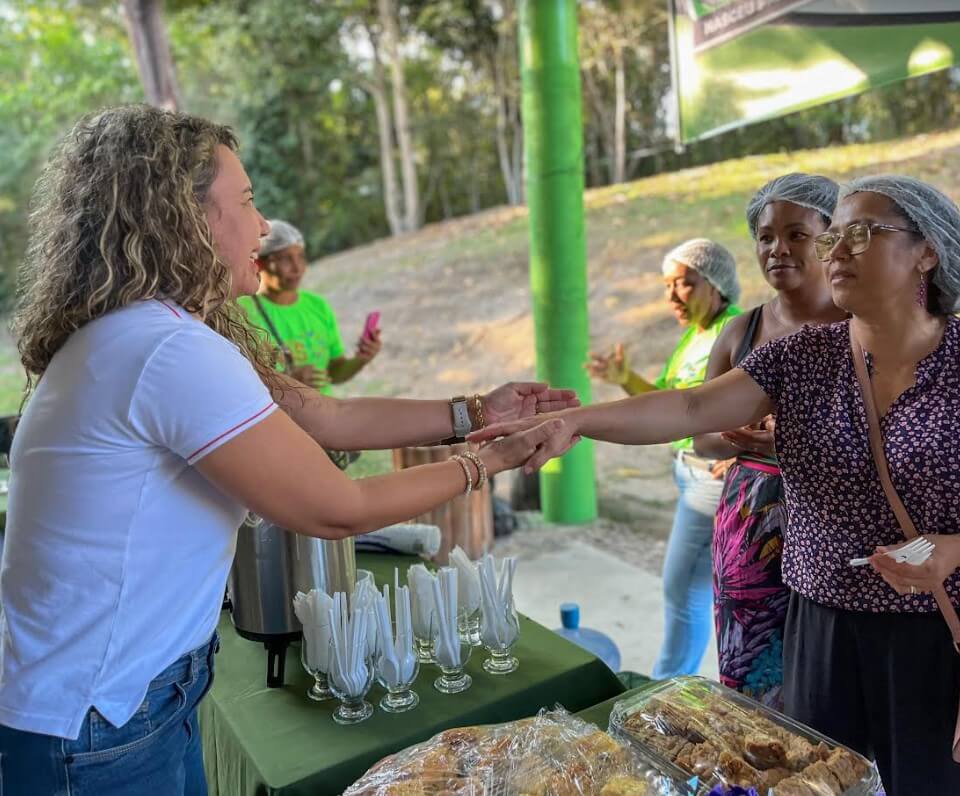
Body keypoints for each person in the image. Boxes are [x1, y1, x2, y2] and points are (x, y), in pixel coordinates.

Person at [0, 105, 574, 795]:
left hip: (123, 702)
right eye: (245, 202)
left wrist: (478, 411)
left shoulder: (144, 332)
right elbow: (339, 507)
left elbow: (324, 416)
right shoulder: (164, 350)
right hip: (99, 722)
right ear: (185, 218)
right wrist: (492, 459)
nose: (264, 224)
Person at [473, 175, 960, 796]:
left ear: (928, 251)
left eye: (861, 233)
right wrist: (572, 421)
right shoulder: (802, 356)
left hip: (950, 632)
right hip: (823, 627)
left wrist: (955, 551)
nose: (834, 250)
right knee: (813, 786)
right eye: (834, 234)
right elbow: (688, 411)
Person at [692, 173, 846, 708]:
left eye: (796, 234)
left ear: (831, 238)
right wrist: (741, 439)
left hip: (836, 525)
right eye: (765, 237)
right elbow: (701, 438)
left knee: (828, 681)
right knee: (750, 680)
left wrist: (791, 445)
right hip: (749, 523)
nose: (777, 248)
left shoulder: (862, 325)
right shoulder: (742, 331)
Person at [587, 239, 742, 679]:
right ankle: (674, 686)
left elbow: (758, 404)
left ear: (715, 285)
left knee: (682, 590)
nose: (673, 296)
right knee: (690, 590)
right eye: (668, 285)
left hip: (709, 482)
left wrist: (741, 455)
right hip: (688, 474)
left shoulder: (736, 332)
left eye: (685, 284)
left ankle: (666, 689)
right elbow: (667, 405)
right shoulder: (695, 336)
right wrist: (624, 380)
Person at [237, 219, 381, 394]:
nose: (297, 268)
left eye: (300, 257)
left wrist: (361, 359)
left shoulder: (318, 306)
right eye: (285, 259)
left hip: (326, 415)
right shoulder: (241, 314)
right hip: (282, 419)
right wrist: (287, 382)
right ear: (259, 263)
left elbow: (334, 373)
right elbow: (238, 387)